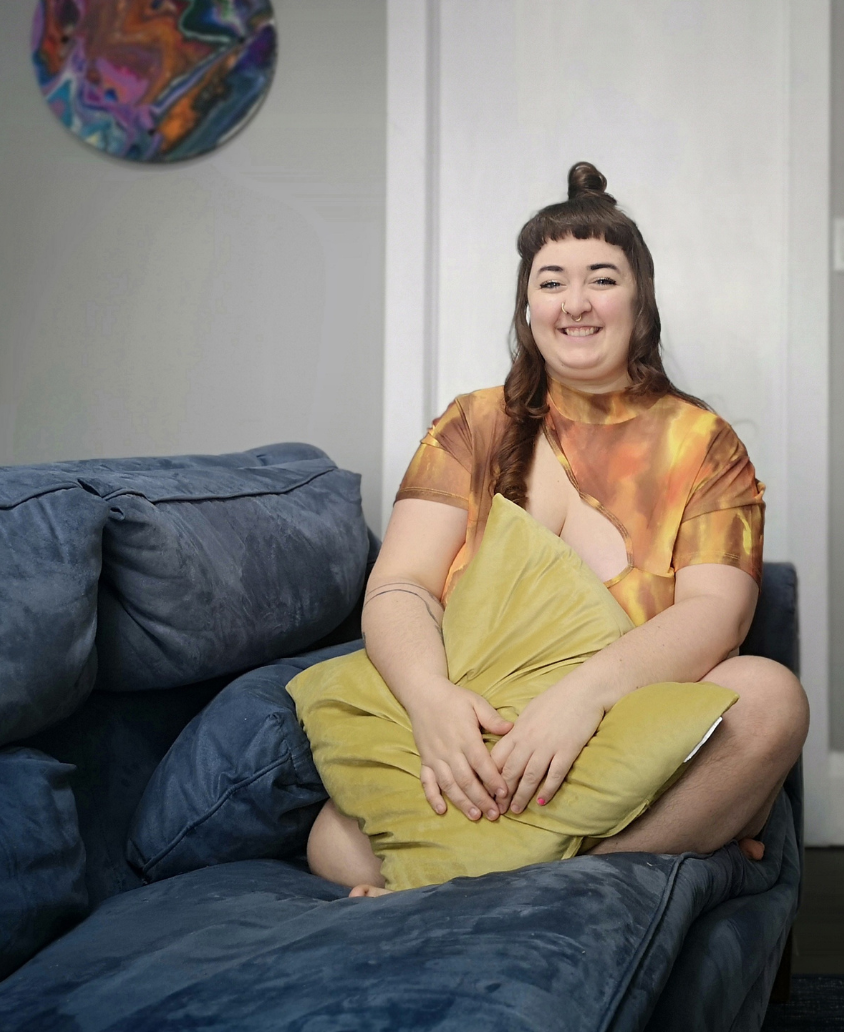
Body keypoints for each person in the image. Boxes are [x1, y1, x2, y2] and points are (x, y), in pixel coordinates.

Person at [308, 162, 809, 897]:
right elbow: (401, 583)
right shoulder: (472, 425)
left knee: (769, 698)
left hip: (624, 724)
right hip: (483, 738)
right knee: (332, 840)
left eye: (602, 278)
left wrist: (584, 698)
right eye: (551, 282)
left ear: (640, 301)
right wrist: (430, 701)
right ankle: (546, 864)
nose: (576, 303)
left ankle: (554, 879)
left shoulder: (705, 441)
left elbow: (718, 613)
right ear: (527, 307)